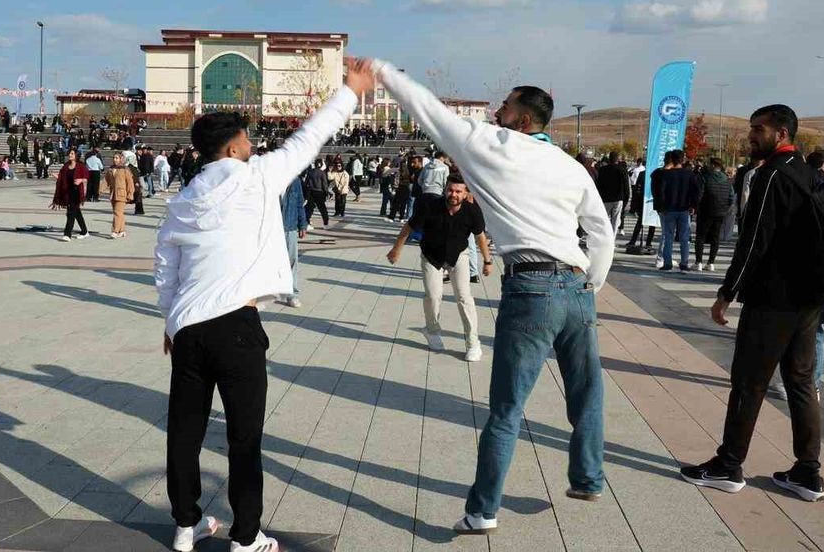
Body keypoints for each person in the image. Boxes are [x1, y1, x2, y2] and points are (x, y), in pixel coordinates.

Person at [374, 60, 613, 535]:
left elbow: (426, 108)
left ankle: (483, 510)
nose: (494, 112)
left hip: (531, 286)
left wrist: (381, 70)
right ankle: (587, 476)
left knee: (507, 407)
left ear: (522, 120)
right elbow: (601, 231)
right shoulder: (569, 164)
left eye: (503, 107)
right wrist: (592, 283)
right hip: (576, 287)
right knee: (587, 392)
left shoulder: (492, 144)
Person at [154, 58, 374, 552]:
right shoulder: (255, 178)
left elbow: (165, 266)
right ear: (233, 147)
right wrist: (351, 91)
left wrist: (171, 320)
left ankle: (186, 526)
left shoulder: (184, 198)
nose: (254, 148)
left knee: (184, 432)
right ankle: (246, 536)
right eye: (248, 142)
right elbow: (308, 138)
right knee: (243, 437)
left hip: (187, 329)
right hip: (236, 326)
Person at [680, 104, 824, 504]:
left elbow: (754, 241)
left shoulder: (772, 176)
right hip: (809, 297)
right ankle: (808, 472)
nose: (750, 136)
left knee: (749, 381)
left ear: (781, 134)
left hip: (774, 297)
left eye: (758, 130)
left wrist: (727, 292)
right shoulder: (812, 174)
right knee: (800, 381)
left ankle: (729, 465)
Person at [386, 175, 492, 361]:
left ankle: (472, 341)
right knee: (433, 296)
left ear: (466, 193)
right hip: (431, 256)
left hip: (458, 255)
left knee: (464, 296)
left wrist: (488, 261)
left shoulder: (471, 210)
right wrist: (396, 249)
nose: (454, 194)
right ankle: (432, 330)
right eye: (450, 190)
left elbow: (480, 236)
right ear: (445, 190)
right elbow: (408, 228)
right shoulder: (430, 207)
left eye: (459, 191)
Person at [656, 149, 700, 272]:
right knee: (684, 238)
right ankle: (684, 263)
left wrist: (662, 206)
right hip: (684, 209)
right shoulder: (689, 174)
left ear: (672, 160)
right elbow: (696, 191)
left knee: (668, 236)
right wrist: (693, 206)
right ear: (683, 159)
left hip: (669, 209)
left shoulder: (667, 174)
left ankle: (668, 263)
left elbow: (661, 192)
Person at [695, 158, 734, 272]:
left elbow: (700, 195)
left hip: (705, 211)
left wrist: (696, 206)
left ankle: (699, 262)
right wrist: (725, 207)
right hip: (720, 212)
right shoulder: (727, 180)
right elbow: (731, 197)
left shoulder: (705, 178)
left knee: (700, 237)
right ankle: (711, 262)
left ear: (713, 165)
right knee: (715, 238)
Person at [280, 165, 307, 308]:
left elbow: (299, 205)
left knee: (292, 260)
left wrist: (303, 224)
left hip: (290, 227)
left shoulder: (295, 181)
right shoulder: (268, 180)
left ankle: (292, 294)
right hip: (271, 228)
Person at [52, 150, 89, 241]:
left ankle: (67, 234)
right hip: (67, 192)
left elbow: (87, 178)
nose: (70, 155)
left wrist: (81, 180)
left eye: (72, 153)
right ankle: (84, 231)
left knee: (70, 213)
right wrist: (57, 176)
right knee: (76, 213)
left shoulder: (81, 166)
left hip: (76, 192)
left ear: (76, 155)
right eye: (69, 153)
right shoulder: (66, 166)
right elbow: (62, 177)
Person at [595, 151, 630, 235]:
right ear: (617, 159)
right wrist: (626, 199)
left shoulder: (603, 170)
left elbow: (599, 185)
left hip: (605, 199)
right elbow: (626, 186)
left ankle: (603, 237)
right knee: (615, 221)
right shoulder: (622, 170)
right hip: (618, 199)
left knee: (604, 220)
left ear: (609, 159)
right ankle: (612, 240)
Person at [104, 152, 135, 239]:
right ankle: (122, 231)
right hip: (113, 194)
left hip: (121, 194)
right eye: (114, 158)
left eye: (117, 158)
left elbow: (130, 183)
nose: (115, 159)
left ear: (121, 159)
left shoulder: (125, 169)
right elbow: (106, 181)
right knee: (119, 213)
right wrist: (99, 190)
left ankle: (115, 231)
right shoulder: (111, 169)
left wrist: (130, 194)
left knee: (117, 213)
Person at [303, 160, 330, 226]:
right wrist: (326, 193)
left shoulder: (310, 172)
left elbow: (306, 183)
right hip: (319, 192)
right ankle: (325, 223)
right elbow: (324, 184)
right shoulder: (322, 173)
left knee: (309, 208)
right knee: (322, 209)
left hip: (311, 192)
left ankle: (307, 222)